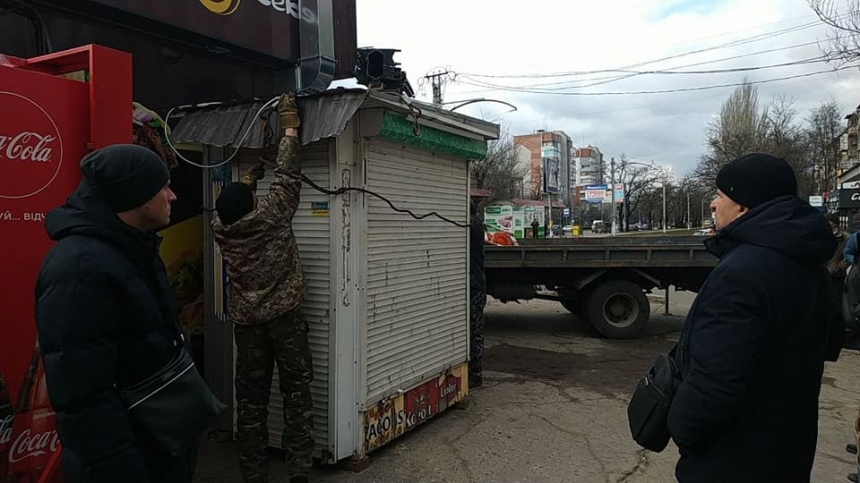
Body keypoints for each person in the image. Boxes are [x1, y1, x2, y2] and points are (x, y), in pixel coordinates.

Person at [666, 153, 844, 483]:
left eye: (720, 196)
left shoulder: (741, 274)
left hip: (731, 461)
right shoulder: (808, 265)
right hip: (787, 452)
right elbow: (832, 341)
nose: (713, 205)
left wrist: (680, 426)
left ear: (744, 206)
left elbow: (714, 383)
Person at [35, 145, 199, 482]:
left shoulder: (135, 247)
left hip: (160, 448)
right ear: (136, 196)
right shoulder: (78, 269)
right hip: (127, 464)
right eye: (162, 187)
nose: (173, 196)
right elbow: (83, 398)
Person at [213, 94, 314, 483]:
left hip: (248, 325)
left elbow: (233, 206)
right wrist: (290, 127)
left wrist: (246, 180)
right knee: (297, 394)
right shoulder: (270, 217)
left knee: (251, 402)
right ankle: (299, 471)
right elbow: (288, 176)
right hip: (285, 322)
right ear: (255, 204)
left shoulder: (221, 230)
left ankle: (253, 474)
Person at [469, 200, 487, 388]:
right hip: (475, 284)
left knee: (475, 331)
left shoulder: (473, 224)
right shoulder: (476, 223)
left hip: (475, 287)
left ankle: (476, 373)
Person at [827, 212, 851, 304]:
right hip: (825, 274)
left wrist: (843, 264)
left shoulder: (847, 238)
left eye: (831, 223)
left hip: (838, 275)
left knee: (837, 299)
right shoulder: (824, 236)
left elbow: (850, 253)